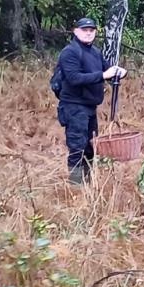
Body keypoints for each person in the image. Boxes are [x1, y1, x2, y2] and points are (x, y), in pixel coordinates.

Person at [50, 18, 125, 184]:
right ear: (75, 31)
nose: (89, 33)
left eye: (92, 30)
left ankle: (88, 184)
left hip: (90, 107)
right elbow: (74, 78)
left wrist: (118, 72)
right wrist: (103, 75)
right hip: (74, 107)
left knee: (90, 148)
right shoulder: (70, 52)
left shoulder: (95, 52)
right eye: (85, 30)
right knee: (77, 148)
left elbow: (108, 70)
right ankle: (76, 187)